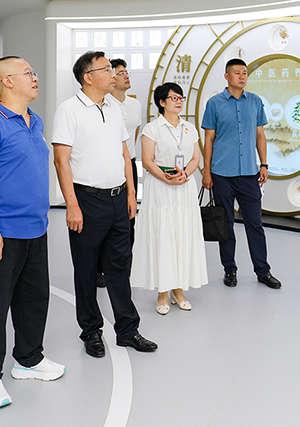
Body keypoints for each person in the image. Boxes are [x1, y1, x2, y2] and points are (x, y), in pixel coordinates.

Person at [0, 56, 65, 410]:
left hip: (35, 229)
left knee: (34, 299)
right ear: (7, 81)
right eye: (28, 73)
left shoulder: (34, 121)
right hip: (2, 232)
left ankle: (29, 359)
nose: (35, 78)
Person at [52, 50, 157, 357]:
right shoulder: (69, 110)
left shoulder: (114, 107)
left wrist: (131, 194)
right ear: (88, 77)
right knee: (86, 270)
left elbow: (125, 153)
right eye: (107, 69)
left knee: (120, 267)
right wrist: (72, 205)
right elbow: (61, 161)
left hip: (118, 199)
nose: (114, 74)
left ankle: (127, 330)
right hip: (87, 201)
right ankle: (91, 332)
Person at [201, 58, 281, 289]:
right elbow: (209, 139)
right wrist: (207, 172)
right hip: (221, 174)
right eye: (237, 73)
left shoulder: (255, 102)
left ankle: (263, 271)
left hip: (249, 174)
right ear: (227, 76)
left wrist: (264, 164)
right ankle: (230, 269)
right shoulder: (214, 103)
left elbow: (260, 136)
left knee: (255, 224)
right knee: (225, 225)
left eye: (244, 72)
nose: (242, 76)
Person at [131, 83, 208, 313]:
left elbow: (195, 158)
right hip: (160, 186)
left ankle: (178, 289)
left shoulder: (189, 128)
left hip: (184, 186)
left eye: (180, 97)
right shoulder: (152, 129)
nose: (179, 101)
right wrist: (166, 178)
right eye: (173, 98)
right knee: (163, 235)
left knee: (182, 234)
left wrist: (186, 174)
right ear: (162, 102)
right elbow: (147, 161)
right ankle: (162, 293)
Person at [93, 58, 141, 289]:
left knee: (128, 217)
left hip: (128, 163)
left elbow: (133, 135)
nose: (126, 75)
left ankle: (123, 265)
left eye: (126, 72)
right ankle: (99, 268)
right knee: (105, 220)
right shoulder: (104, 103)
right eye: (121, 72)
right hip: (107, 165)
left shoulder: (135, 104)